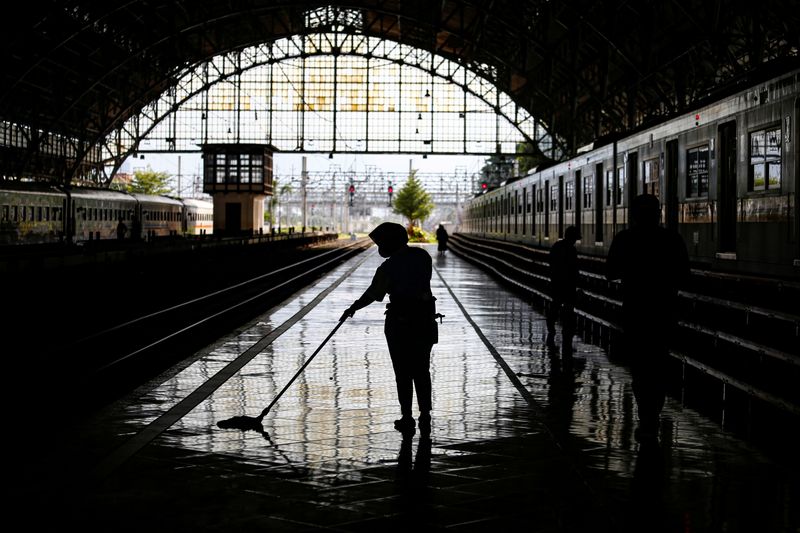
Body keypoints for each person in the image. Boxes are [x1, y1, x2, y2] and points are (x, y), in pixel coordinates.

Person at [340, 222, 439, 437]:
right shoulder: (423, 257)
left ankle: (406, 417)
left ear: (390, 242)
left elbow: (373, 294)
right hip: (425, 319)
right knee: (421, 369)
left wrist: (353, 307)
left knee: (403, 372)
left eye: (381, 243)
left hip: (400, 323)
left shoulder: (388, 268)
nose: (378, 248)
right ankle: (425, 414)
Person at [606, 194, 689, 442]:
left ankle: (646, 418)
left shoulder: (625, 239)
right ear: (659, 213)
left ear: (634, 215)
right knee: (659, 364)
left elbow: (609, 273)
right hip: (664, 311)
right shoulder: (672, 239)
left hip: (635, 311)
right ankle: (653, 414)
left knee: (640, 367)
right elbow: (685, 275)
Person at [546, 225, 580, 354]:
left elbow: (552, 264)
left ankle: (552, 323)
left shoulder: (557, 246)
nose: (575, 241)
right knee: (567, 306)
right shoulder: (571, 249)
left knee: (557, 303)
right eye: (575, 238)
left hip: (558, 282)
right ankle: (565, 330)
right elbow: (574, 268)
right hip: (567, 283)